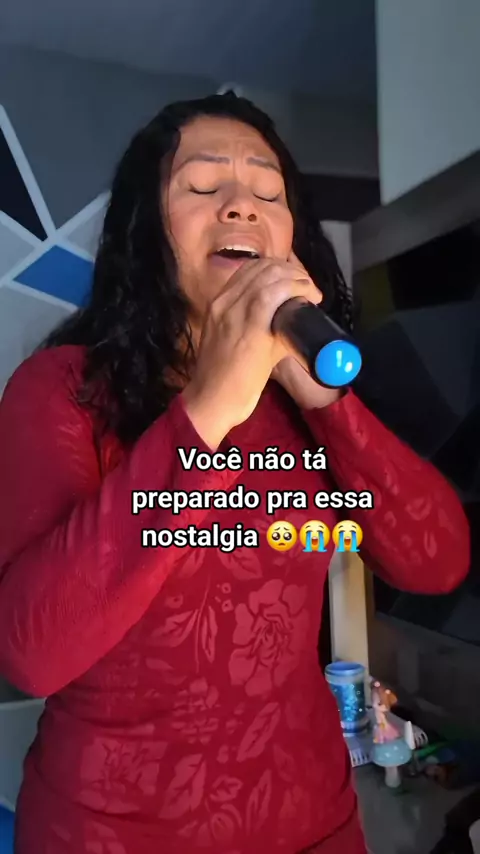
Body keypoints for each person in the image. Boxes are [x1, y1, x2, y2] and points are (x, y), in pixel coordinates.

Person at [0, 93, 470, 854]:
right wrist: (209, 405)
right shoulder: (65, 389)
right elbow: (34, 654)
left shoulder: (308, 400)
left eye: (268, 192)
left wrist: (330, 408)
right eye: (202, 184)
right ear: (146, 229)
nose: (242, 205)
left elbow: (438, 562)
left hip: (316, 827)